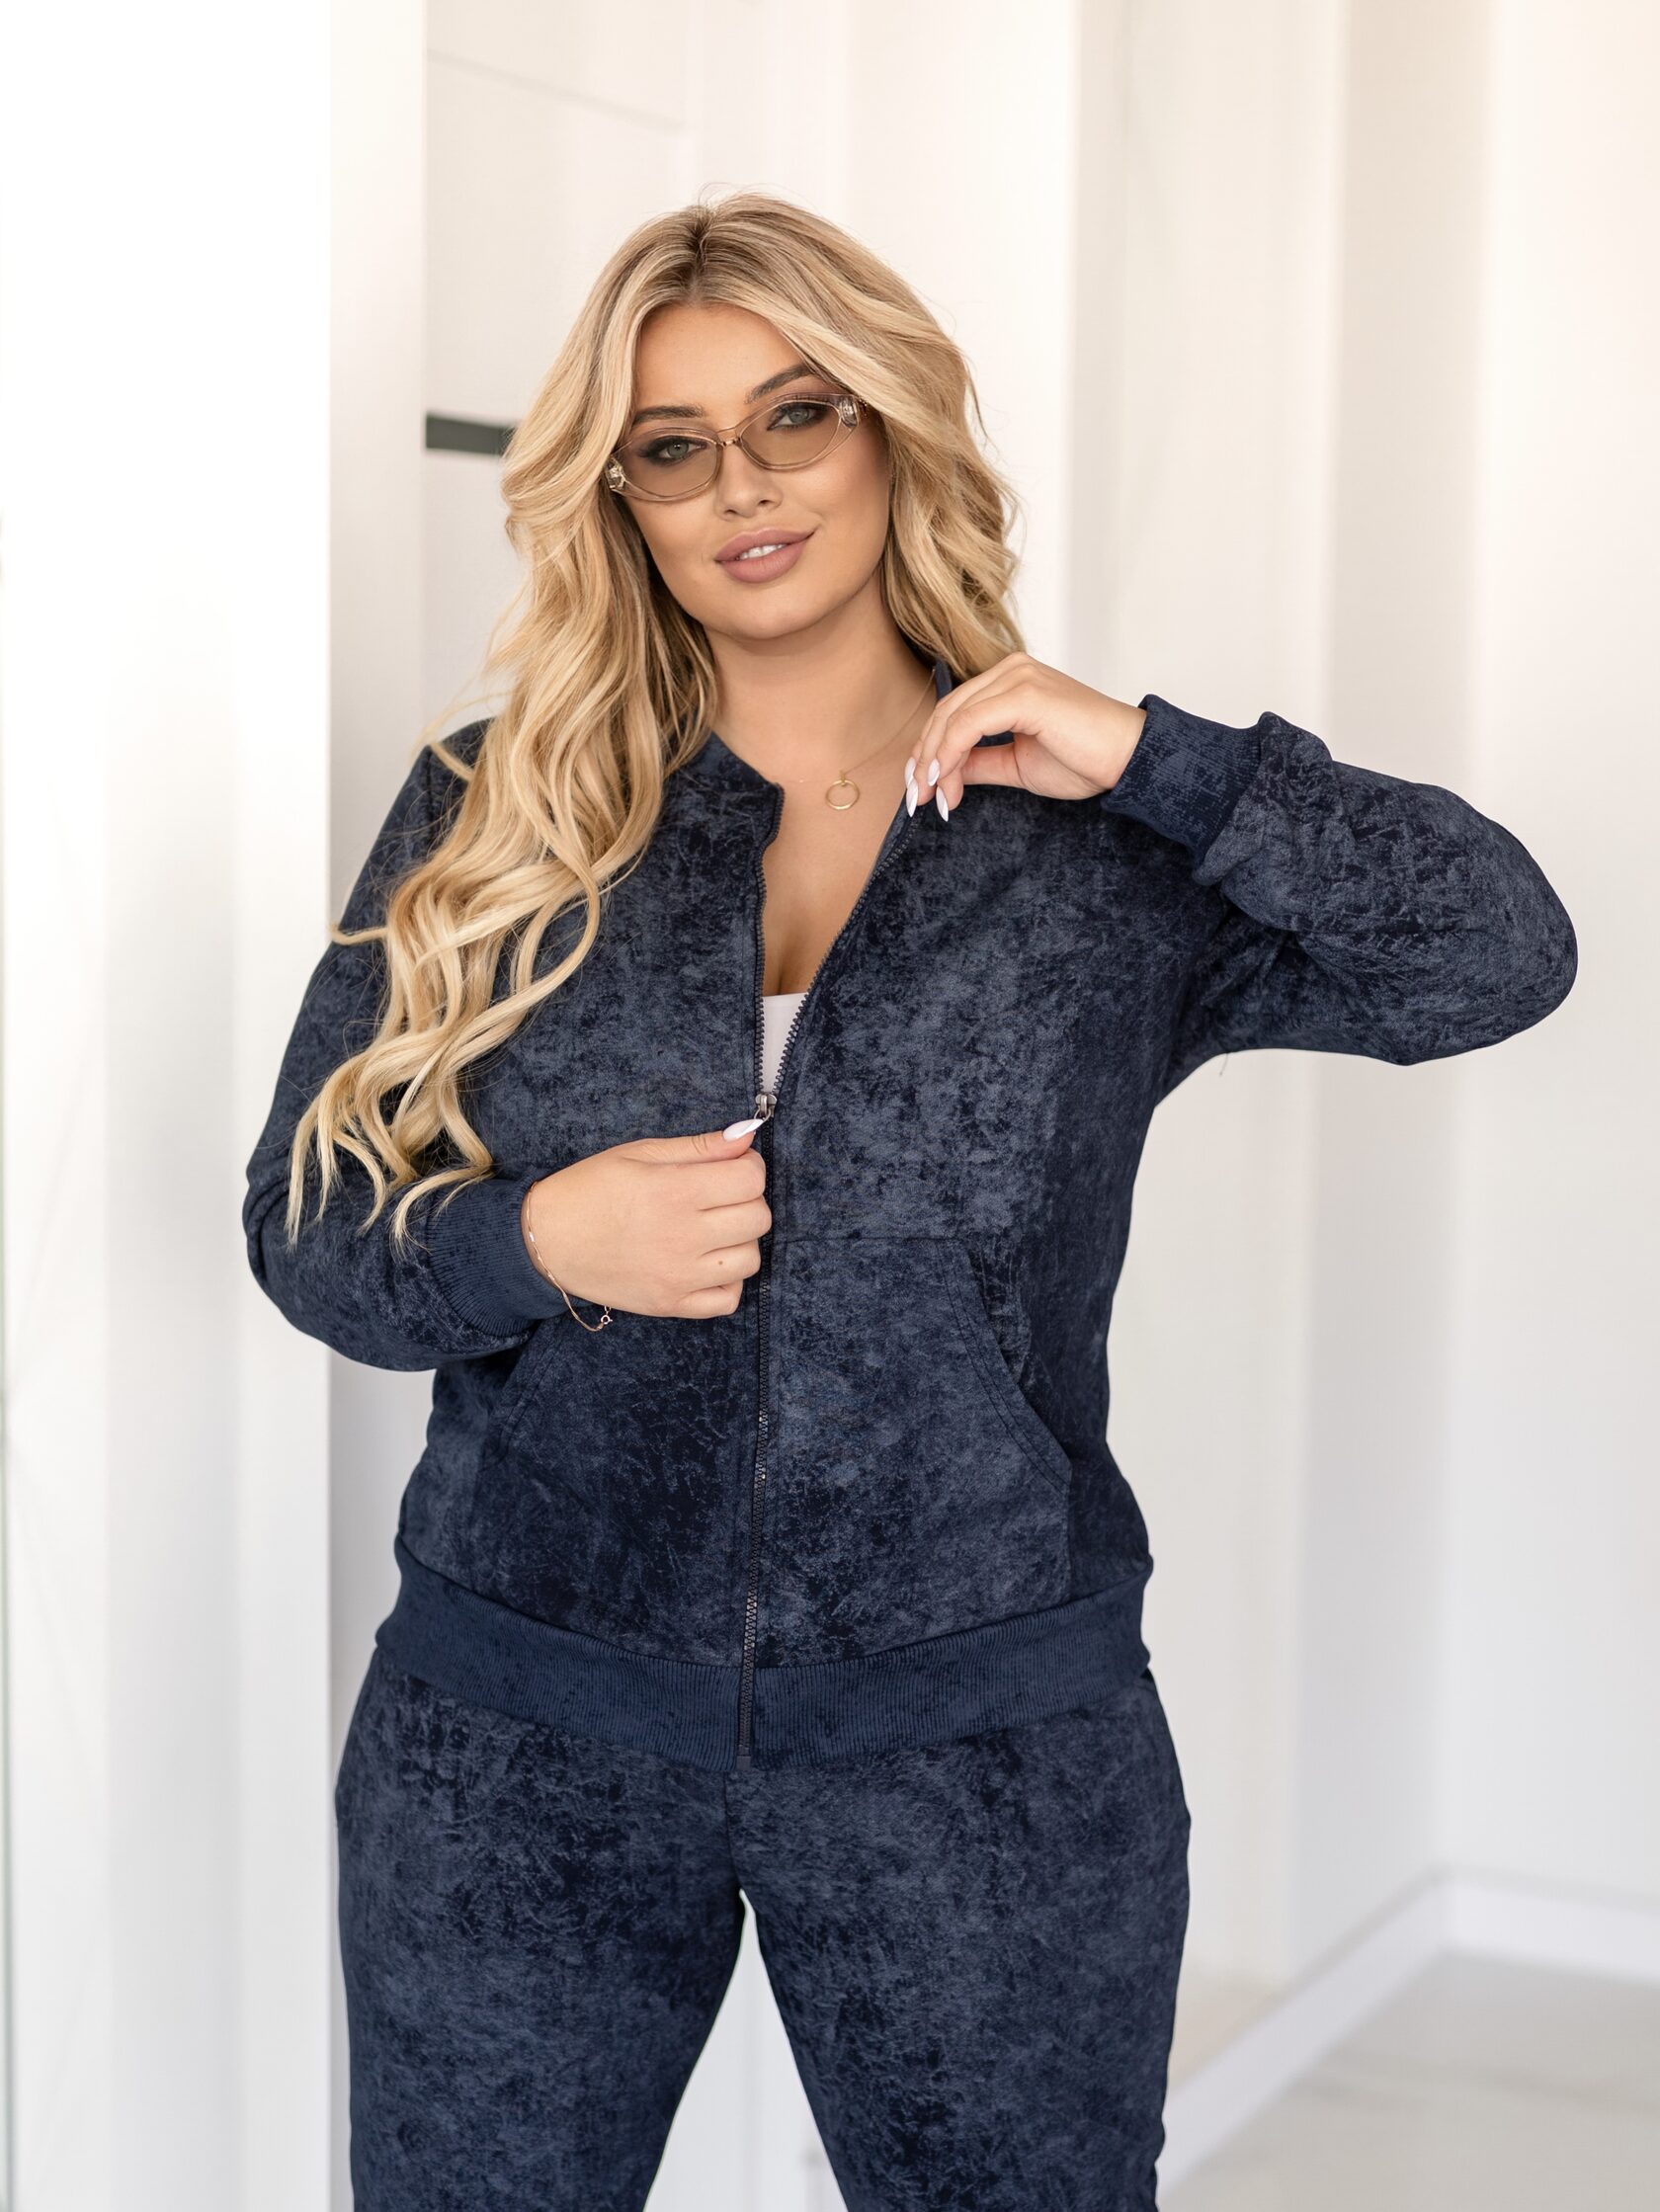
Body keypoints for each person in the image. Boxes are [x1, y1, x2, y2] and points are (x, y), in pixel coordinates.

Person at [242, 191, 1578, 2212]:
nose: (743, 487)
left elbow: (1496, 952)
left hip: (986, 1759)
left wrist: (1163, 759)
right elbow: (307, 1222)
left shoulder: (1094, 845)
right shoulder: (499, 807)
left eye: (798, 415)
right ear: (620, 498)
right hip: (517, 1744)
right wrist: (537, 1242)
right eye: (673, 446)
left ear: (892, 428)